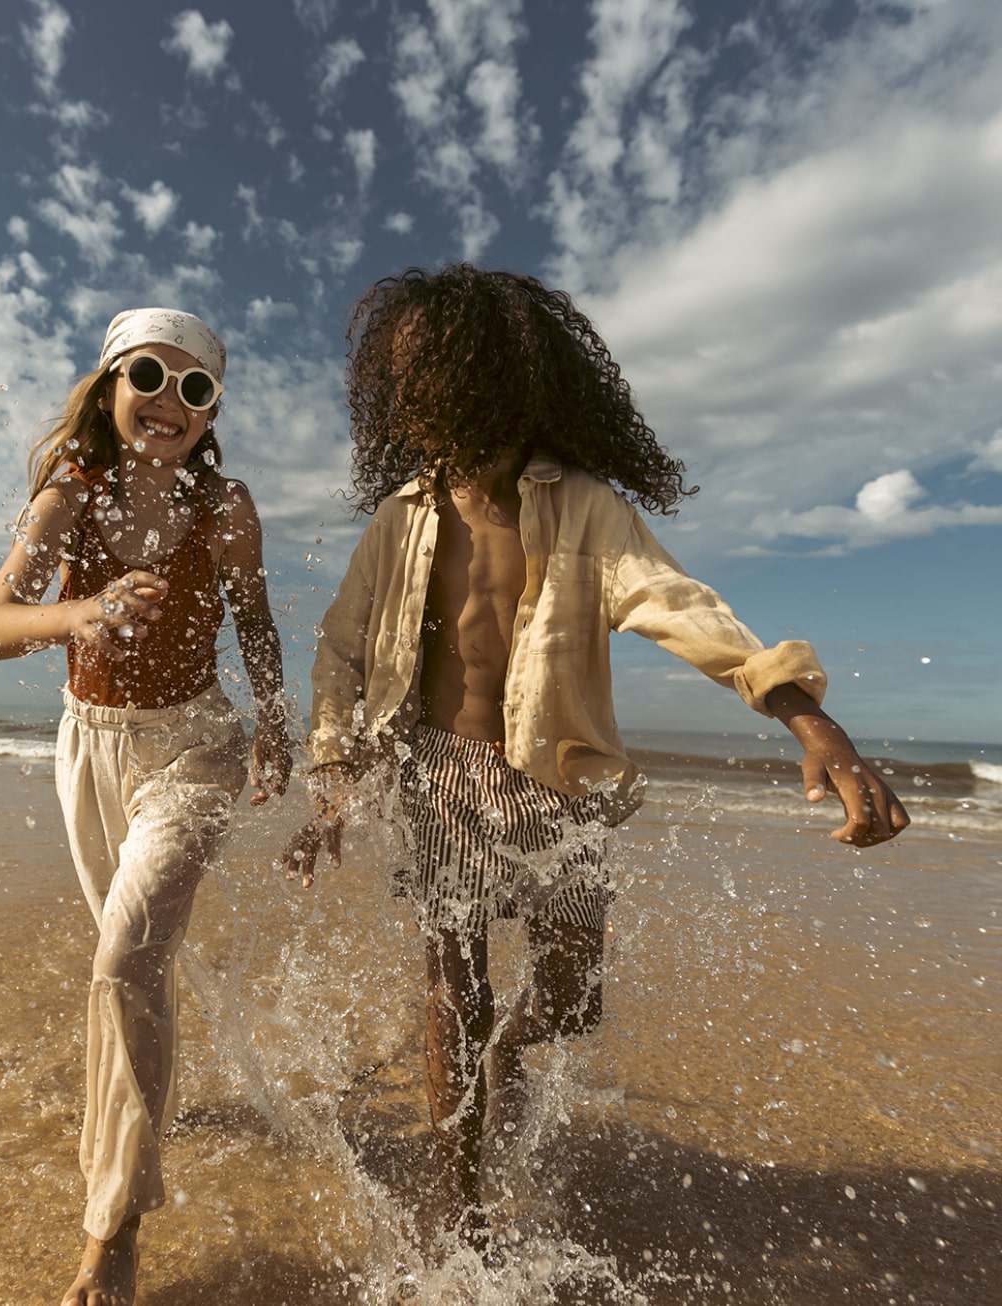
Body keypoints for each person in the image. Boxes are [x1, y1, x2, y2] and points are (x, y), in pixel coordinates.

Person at [281, 264, 909, 1259]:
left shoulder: (581, 506)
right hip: (439, 772)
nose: (404, 398)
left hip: (556, 782)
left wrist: (805, 717)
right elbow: (340, 651)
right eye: (392, 381)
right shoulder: (398, 519)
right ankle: (461, 1214)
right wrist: (332, 780)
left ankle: (506, 1053)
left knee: (569, 995)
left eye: (422, 373)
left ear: (488, 372)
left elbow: (676, 600)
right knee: (452, 980)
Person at [0, 308, 292, 1306]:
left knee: (122, 961)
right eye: (151, 376)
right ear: (110, 387)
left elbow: (255, 619)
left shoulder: (227, 505)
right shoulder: (72, 492)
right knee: (135, 967)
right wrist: (83, 611)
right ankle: (148, 1110)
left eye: (196, 391)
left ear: (210, 416)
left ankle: (111, 1228)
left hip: (195, 746)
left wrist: (277, 722)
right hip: (92, 750)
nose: (170, 401)